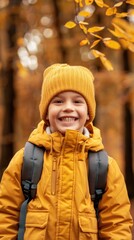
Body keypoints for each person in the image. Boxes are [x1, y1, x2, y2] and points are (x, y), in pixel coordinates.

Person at [0, 63, 133, 239]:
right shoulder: (25, 160)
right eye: (58, 101)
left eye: (77, 101)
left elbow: (117, 225)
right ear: (46, 112)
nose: (68, 107)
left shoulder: (105, 167)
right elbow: (6, 217)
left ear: (88, 113)